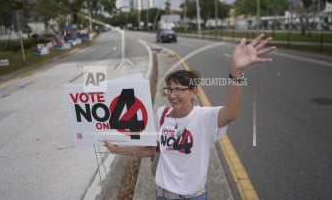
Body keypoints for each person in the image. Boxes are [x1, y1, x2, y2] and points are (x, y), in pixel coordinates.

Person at [105, 34, 276, 199]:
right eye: (170, 89)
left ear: (194, 91)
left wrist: (236, 72)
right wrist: (118, 149)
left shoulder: (204, 117)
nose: (172, 95)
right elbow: (152, 149)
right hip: (163, 195)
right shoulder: (162, 114)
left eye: (179, 89)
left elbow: (232, 112)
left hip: (194, 196)